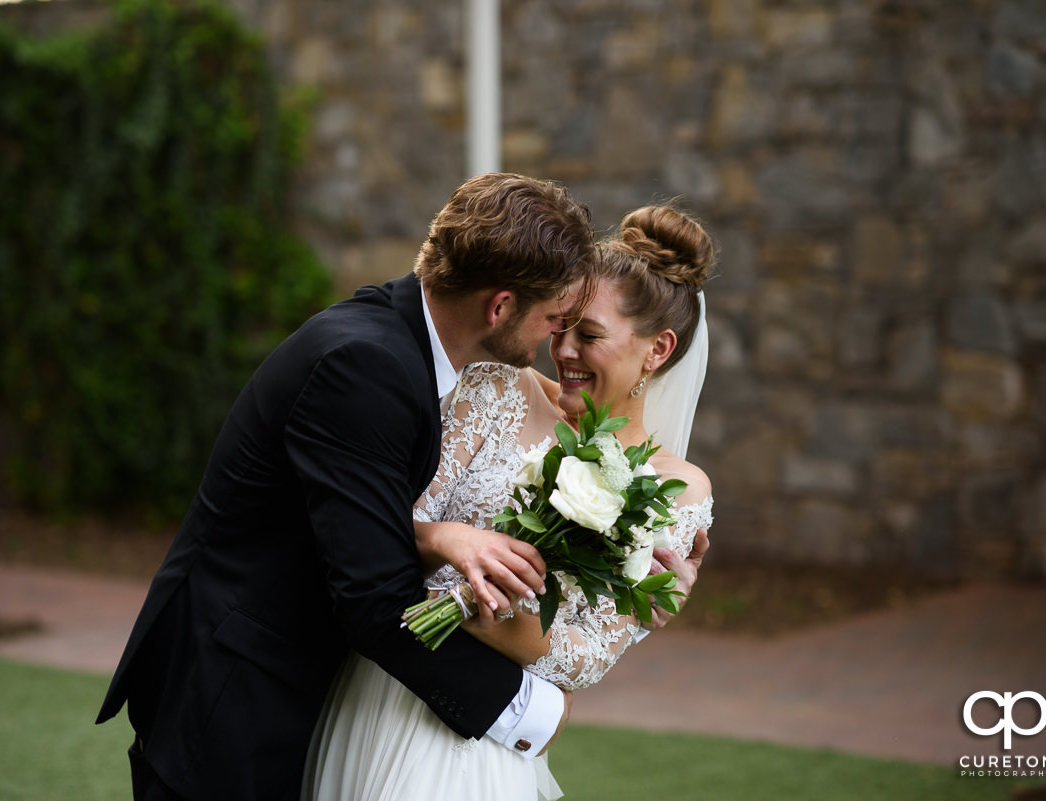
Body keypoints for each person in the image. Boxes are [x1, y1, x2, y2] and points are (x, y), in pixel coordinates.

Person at [95, 173, 599, 801]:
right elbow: (373, 595)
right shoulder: (366, 367)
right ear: (499, 307)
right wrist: (527, 712)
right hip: (230, 688)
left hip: (268, 676)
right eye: (552, 319)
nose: (553, 341)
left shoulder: (396, 337)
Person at [301, 203, 716, 800]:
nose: (565, 349)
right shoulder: (497, 390)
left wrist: (477, 604)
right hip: (382, 688)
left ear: (658, 349)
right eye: (562, 323)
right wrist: (450, 546)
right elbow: (384, 532)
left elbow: (584, 658)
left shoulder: (676, 493)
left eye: (591, 334)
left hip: (481, 741)